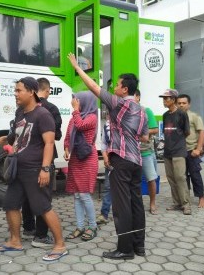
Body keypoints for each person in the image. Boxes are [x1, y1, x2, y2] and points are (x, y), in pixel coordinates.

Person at [68, 53, 149, 260]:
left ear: (125, 89)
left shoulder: (120, 103)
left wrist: (78, 68)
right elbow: (145, 137)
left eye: (117, 85)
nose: (114, 87)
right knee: (136, 204)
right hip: (136, 161)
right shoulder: (141, 110)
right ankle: (139, 247)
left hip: (121, 161)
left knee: (122, 207)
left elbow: (95, 89)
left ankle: (125, 249)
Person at [0, 77, 67, 261]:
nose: (15, 94)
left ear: (32, 92)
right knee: (10, 204)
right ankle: (15, 241)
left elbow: (49, 143)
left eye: (19, 91)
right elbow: (19, 134)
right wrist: (6, 138)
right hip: (18, 168)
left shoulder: (43, 115)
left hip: (35, 169)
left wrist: (45, 169)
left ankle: (60, 245)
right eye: (15, 91)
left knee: (42, 207)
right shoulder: (21, 113)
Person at [22, 77, 62, 248]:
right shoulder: (51, 108)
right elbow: (56, 135)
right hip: (44, 158)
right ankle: (41, 236)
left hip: (26, 158)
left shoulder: (24, 106)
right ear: (48, 90)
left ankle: (28, 228)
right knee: (43, 196)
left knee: (27, 194)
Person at [64, 91, 99, 241]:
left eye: (77, 100)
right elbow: (68, 135)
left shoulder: (92, 117)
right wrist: (66, 149)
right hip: (75, 159)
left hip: (87, 159)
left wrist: (76, 111)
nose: (74, 102)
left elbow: (80, 125)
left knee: (84, 194)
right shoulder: (75, 117)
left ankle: (93, 226)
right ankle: (80, 226)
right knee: (77, 195)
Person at [160, 89, 191, 215]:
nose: (164, 101)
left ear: (173, 99)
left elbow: (187, 132)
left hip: (179, 151)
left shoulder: (182, 114)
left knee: (180, 177)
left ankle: (186, 204)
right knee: (171, 178)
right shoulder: (165, 115)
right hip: (167, 152)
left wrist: (177, 142)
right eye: (163, 98)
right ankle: (177, 203)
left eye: (166, 98)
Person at [177, 94, 204, 208]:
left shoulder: (194, 116)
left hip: (191, 150)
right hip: (178, 151)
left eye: (183, 103)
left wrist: (198, 149)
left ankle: (201, 198)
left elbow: (202, 132)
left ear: (188, 104)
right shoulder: (175, 117)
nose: (181, 105)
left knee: (195, 175)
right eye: (179, 103)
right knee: (181, 176)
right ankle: (184, 199)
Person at [135, 89, 159, 214]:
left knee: (151, 179)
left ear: (138, 97)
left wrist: (140, 132)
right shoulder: (126, 113)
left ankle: (152, 203)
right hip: (131, 153)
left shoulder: (146, 111)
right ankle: (136, 205)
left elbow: (155, 129)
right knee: (134, 181)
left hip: (145, 152)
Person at [96, 115, 111, 224]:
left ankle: (128, 214)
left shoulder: (126, 121)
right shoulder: (107, 125)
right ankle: (104, 214)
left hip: (125, 161)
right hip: (111, 161)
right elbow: (104, 143)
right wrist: (105, 157)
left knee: (126, 188)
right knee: (107, 188)